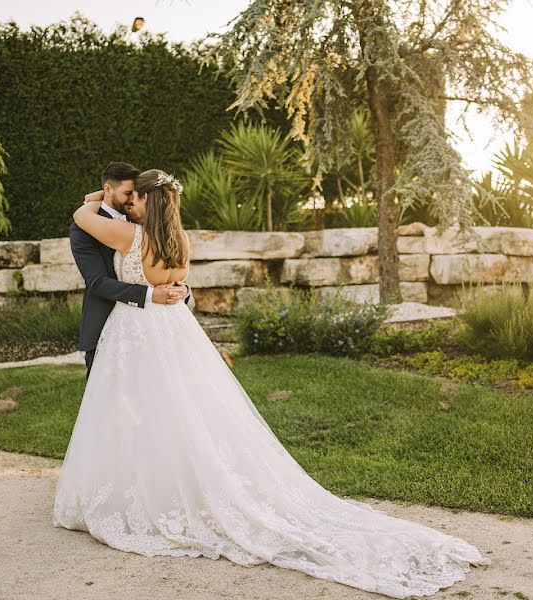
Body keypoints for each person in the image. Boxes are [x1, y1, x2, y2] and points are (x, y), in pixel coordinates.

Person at [53, 169, 487, 598]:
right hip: (175, 329)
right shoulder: (181, 240)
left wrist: (95, 198)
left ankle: (152, 492)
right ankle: (175, 484)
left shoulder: (129, 238)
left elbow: (80, 216)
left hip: (138, 333)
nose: (131, 205)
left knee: (142, 413)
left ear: (149, 201)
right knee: (186, 412)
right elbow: (178, 284)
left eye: (137, 200)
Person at [68, 162, 192, 379]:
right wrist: (160, 294)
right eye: (127, 193)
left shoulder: (135, 227)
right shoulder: (85, 230)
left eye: (134, 194)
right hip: (108, 324)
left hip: (147, 327)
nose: (130, 200)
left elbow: (80, 214)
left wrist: (182, 290)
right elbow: (96, 282)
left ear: (146, 197)